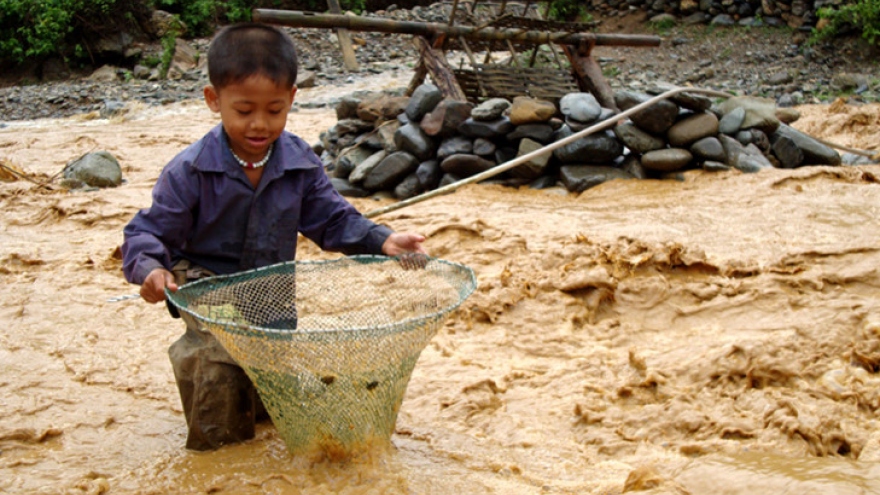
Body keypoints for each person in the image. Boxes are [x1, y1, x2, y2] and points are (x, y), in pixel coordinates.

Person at [121, 22, 426, 451]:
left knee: (272, 375)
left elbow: (332, 219)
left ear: (292, 100)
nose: (260, 124)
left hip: (271, 289)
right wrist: (150, 268)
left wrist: (383, 240)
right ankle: (219, 461)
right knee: (217, 358)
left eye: (275, 110)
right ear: (214, 101)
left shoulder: (300, 163)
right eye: (244, 111)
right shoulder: (189, 170)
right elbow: (148, 230)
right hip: (207, 284)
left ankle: (260, 440)